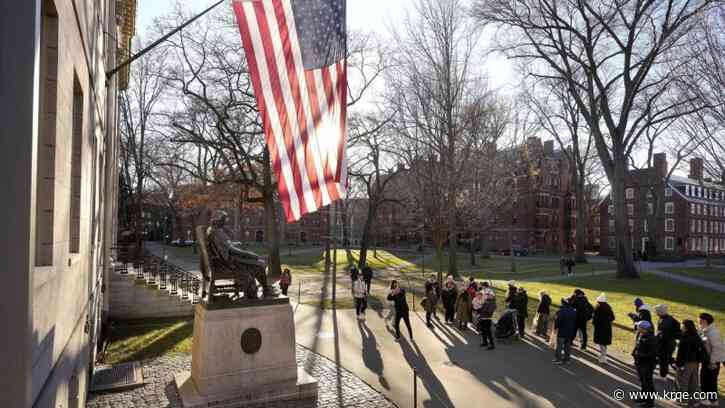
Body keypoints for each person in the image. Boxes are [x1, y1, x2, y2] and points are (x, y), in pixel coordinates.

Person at [674, 320, 706, 402]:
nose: (681, 327)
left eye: (682, 326)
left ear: (686, 327)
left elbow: (682, 353)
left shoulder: (685, 339)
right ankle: (695, 400)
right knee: (694, 382)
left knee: (682, 381)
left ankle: (682, 399)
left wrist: (678, 364)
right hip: (695, 363)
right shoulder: (696, 336)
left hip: (686, 362)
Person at [632, 320, 659, 408]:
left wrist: (639, 354)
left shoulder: (651, 339)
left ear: (644, 329)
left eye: (639, 327)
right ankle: (643, 398)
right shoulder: (641, 335)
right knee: (643, 382)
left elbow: (652, 353)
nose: (637, 328)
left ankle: (649, 403)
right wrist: (634, 353)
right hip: (640, 363)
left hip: (647, 365)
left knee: (648, 384)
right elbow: (637, 346)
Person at [699, 312, 723, 407]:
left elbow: (717, 349)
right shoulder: (706, 330)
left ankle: (713, 400)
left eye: (700, 320)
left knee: (711, 381)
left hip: (712, 362)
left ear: (705, 321)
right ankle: (706, 398)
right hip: (707, 360)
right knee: (704, 379)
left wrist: (712, 362)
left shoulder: (713, 332)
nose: (699, 322)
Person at [654, 304, 681, 378]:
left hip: (666, 343)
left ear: (660, 312)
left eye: (657, 311)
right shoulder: (668, 318)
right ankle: (675, 367)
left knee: (664, 359)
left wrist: (658, 337)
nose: (656, 313)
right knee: (666, 358)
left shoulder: (666, 321)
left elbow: (664, 334)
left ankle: (663, 375)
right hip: (669, 343)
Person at [592, 293, 615, 364]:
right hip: (607, 327)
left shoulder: (597, 307)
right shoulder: (608, 307)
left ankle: (603, 357)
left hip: (599, 328)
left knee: (601, 342)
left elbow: (595, 318)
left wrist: (594, 323)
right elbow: (612, 317)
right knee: (604, 342)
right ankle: (603, 355)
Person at [553, 298, 577, 365]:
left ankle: (558, 359)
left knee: (559, 346)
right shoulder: (574, 311)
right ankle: (567, 359)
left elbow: (558, 321)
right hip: (570, 332)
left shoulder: (561, 311)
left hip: (562, 332)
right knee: (567, 346)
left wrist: (555, 328)